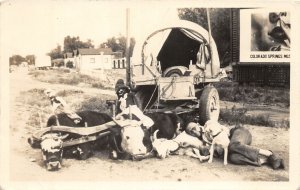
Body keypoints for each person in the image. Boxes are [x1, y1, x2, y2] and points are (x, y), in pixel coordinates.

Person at [185, 122, 285, 170]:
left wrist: (212, 131)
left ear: (198, 125)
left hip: (239, 132)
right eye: (191, 132)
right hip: (236, 147)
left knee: (232, 145)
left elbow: (225, 131)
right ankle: (266, 161)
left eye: (194, 128)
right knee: (233, 158)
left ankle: (269, 153)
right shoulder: (203, 141)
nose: (194, 131)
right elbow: (211, 151)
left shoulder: (208, 124)